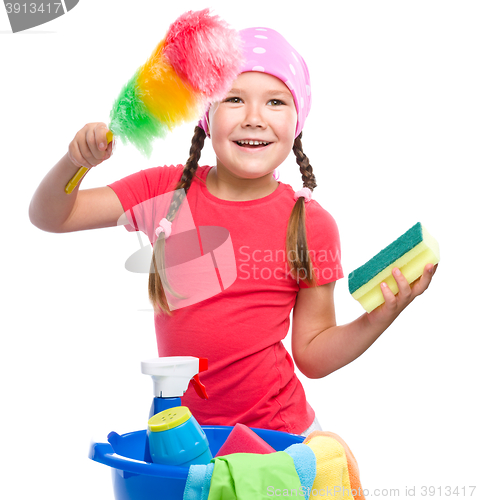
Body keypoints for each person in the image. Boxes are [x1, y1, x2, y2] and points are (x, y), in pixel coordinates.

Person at [29, 27, 437, 437]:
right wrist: (74, 162)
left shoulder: (311, 223)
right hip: (185, 439)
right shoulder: (165, 192)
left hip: (280, 439)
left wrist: (378, 317)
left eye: (275, 102)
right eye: (234, 99)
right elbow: (52, 216)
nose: (254, 118)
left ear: (297, 123)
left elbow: (312, 356)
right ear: (208, 115)